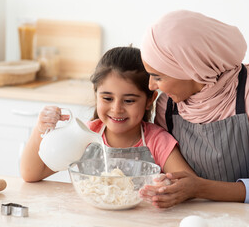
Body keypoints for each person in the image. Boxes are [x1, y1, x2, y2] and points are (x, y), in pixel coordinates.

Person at [139, 10, 249, 208]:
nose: (151, 86)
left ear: (190, 67)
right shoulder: (168, 104)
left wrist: (198, 188)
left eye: (158, 76)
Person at [20, 46, 194, 182]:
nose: (117, 109)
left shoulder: (157, 141)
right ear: (96, 94)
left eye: (129, 100)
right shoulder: (84, 136)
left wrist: (166, 185)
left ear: (150, 100)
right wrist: (40, 130)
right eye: (108, 98)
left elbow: (188, 183)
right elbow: (31, 174)